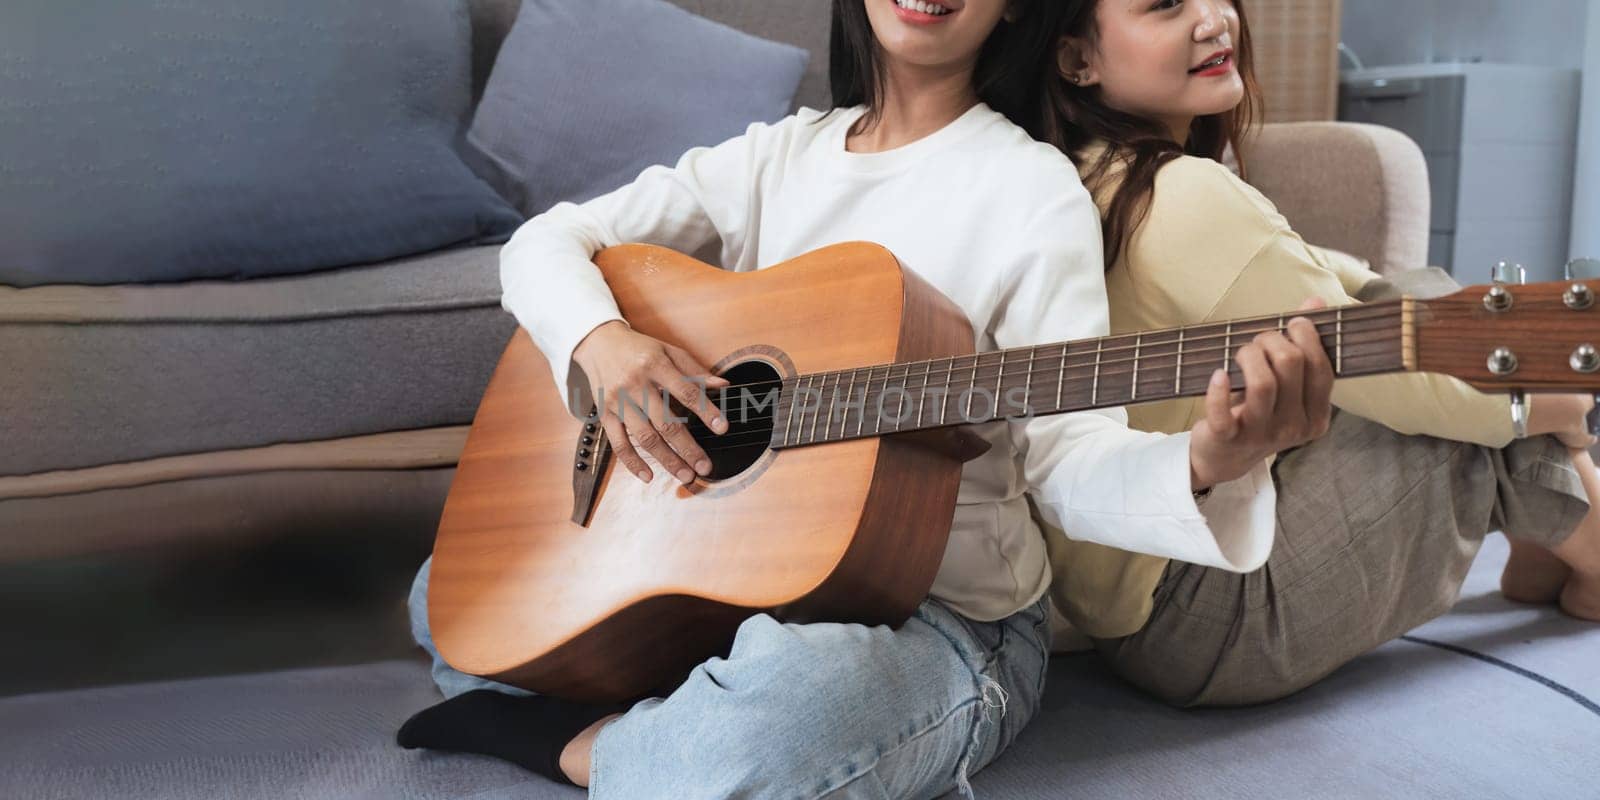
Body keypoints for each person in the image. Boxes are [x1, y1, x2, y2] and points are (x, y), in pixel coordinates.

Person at [394, 1, 1337, 796]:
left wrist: (1215, 460)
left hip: (943, 619)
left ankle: (584, 745)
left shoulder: (1029, 191)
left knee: (780, 719)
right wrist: (605, 346)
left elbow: (1064, 459)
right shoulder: (774, 159)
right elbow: (544, 243)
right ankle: (673, 709)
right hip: (752, 577)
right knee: (454, 600)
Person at [1034, 0, 1600, 709]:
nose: (1214, 20)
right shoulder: (1176, 198)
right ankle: (1587, 542)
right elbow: (1409, 386)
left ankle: (1551, 545)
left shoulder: (1098, 176)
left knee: (1421, 304)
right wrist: (1558, 403)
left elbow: (1305, 269)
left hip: (1142, 601)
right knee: (1456, 400)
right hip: (1205, 615)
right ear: (1076, 60)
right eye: (1166, 5)